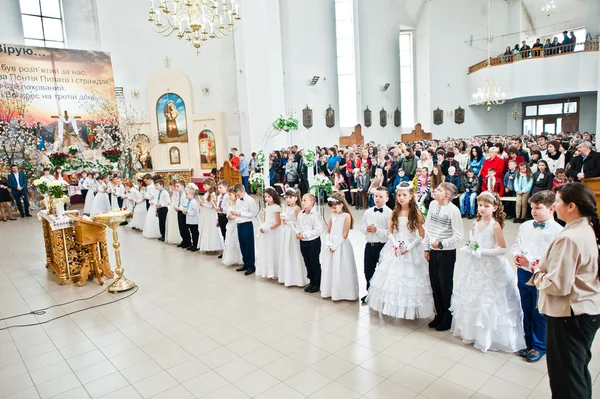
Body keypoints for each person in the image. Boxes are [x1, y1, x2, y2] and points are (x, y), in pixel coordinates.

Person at [527, 183, 600, 398]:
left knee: (566, 377)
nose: (554, 207)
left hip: (570, 314)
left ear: (571, 206)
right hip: (586, 309)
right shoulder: (587, 227)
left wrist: (538, 274)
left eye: (557, 202)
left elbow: (558, 285)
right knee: (576, 372)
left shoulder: (570, 237)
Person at [451, 191, 526, 352]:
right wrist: (471, 246)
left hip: (491, 266)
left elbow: (502, 249)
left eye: (486, 206)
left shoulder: (495, 225)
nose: (482, 209)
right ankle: (472, 332)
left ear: (495, 207)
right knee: (473, 296)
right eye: (480, 205)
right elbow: (474, 240)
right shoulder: (476, 223)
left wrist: (482, 252)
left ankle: (488, 336)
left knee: (488, 300)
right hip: (475, 265)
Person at [366, 182, 434, 318]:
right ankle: (392, 305)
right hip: (395, 246)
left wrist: (409, 247)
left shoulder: (416, 213)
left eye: (404, 195)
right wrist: (395, 244)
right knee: (392, 277)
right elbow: (390, 232)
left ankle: (410, 308)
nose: (401, 198)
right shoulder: (395, 212)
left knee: (410, 277)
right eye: (399, 195)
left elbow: (421, 235)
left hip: (411, 247)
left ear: (410, 196)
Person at [511, 190, 563, 363]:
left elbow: (554, 259)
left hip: (541, 276)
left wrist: (531, 261)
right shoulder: (525, 226)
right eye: (532, 208)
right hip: (522, 273)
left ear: (551, 209)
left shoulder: (558, 232)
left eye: (538, 208)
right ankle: (527, 342)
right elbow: (516, 244)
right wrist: (517, 255)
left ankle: (540, 346)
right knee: (525, 308)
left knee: (539, 311)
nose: (533, 211)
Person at [424, 182, 464, 331]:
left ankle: (447, 317)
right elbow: (428, 227)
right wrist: (426, 249)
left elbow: (459, 235)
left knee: (445, 286)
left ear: (446, 196)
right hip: (433, 251)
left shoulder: (453, 211)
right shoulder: (433, 204)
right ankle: (438, 314)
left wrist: (441, 244)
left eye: (439, 190)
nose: (435, 190)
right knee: (434, 284)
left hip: (446, 253)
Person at [320, 193, 358, 301]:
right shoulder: (332, 216)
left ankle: (344, 292)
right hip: (331, 243)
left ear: (341, 205)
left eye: (335, 207)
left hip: (341, 244)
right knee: (331, 267)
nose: (333, 210)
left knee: (342, 267)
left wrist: (335, 246)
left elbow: (345, 234)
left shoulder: (346, 216)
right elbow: (328, 230)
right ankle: (330, 290)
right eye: (331, 207)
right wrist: (328, 242)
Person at [359, 187, 392, 302]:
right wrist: (366, 229)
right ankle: (370, 293)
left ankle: (382, 295)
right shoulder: (368, 212)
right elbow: (361, 227)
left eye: (380, 196)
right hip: (369, 245)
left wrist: (377, 230)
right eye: (376, 196)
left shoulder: (389, 213)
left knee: (382, 272)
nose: (377, 198)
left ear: (387, 199)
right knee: (368, 270)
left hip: (382, 246)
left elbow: (390, 233)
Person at [278, 188, 307, 287]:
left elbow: (300, 223)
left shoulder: (297, 208)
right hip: (287, 231)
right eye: (286, 197)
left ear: (295, 198)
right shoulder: (287, 208)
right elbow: (284, 222)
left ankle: (298, 277)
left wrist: (289, 222)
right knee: (287, 251)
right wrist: (284, 220)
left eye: (290, 197)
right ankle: (288, 276)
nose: (288, 199)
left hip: (293, 232)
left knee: (294, 252)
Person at [296, 193, 325, 293]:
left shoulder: (315, 215)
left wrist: (305, 235)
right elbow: (298, 225)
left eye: (305, 200)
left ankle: (317, 282)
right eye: (302, 200)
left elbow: (318, 230)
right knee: (307, 262)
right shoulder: (300, 214)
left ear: (312, 203)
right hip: (303, 242)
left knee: (314, 262)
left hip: (313, 242)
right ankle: (311, 281)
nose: (302, 202)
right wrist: (299, 233)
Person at [231, 184, 258, 275]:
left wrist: (240, 214)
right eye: (236, 195)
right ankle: (245, 263)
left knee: (249, 246)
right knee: (242, 245)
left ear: (243, 191)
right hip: (239, 224)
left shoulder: (250, 200)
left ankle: (251, 265)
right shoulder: (238, 200)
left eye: (238, 195)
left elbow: (253, 213)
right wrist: (234, 214)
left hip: (247, 224)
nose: (237, 197)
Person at [256, 187, 282, 279]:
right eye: (265, 197)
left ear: (273, 196)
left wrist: (268, 229)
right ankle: (268, 270)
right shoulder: (267, 207)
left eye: (268, 196)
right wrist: (263, 227)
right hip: (267, 231)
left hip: (274, 232)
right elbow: (266, 220)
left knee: (274, 250)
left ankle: (276, 271)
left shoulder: (277, 207)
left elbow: (278, 222)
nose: (266, 198)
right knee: (267, 250)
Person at [198, 178, 224, 252]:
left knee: (211, 229)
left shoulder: (212, 194)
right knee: (206, 228)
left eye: (205, 185)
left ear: (209, 185)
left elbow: (214, 206)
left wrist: (204, 205)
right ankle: (207, 246)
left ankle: (213, 246)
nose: (203, 187)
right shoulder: (207, 193)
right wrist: (203, 204)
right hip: (206, 213)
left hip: (211, 214)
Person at [222, 187, 243, 265]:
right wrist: (228, 216)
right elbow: (228, 212)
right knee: (230, 240)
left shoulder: (239, 202)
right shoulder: (230, 202)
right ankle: (231, 257)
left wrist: (233, 216)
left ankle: (239, 258)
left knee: (237, 240)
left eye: (230, 195)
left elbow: (239, 214)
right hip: (230, 224)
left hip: (236, 223)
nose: (229, 197)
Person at [182, 187, 200, 252]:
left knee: (195, 233)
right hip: (190, 220)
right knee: (192, 232)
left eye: (187, 194)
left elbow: (194, 212)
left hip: (194, 220)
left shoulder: (194, 202)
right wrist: (185, 211)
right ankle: (193, 244)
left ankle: (196, 245)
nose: (186, 195)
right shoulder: (189, 201)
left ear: (191, 194)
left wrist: (187, 211)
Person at [165, 180, 182, 245]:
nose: (170, 187)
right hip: (172, 208)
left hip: (176, 208)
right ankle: (172, 237)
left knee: (176, 223)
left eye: (171, 185)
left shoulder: (178, 193)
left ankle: (178, 237)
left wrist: (174, 205)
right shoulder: (173, 192)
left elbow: (177, 201)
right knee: (172, 223)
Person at [215, 180, 229, 247]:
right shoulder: (219, 196)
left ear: (226, 187)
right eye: (218, 188)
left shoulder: (228, 196)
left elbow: (228, 207)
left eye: (220, 188)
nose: (219, 189)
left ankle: (228, 249)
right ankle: (225, 249)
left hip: (225, 216)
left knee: (227, 234)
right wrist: (218, 219)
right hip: (220, 216)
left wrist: (221, 209)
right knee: (223, 233)